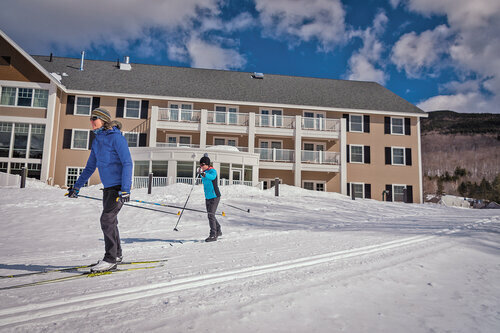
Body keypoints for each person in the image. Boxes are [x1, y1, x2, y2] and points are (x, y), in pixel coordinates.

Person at [66, 108, 133, 272]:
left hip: (118, 188)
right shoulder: (97, 141)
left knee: (106, 220)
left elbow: (127, 163)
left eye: (94, 118)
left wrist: (125, 189)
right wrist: (76, 187)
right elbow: (90, 167)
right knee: (111, 221)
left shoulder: (117, 138)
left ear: (103, 120)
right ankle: (116, 254)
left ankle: (110, 259)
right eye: (90, 118)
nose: (91, 121)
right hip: (108, 188)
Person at [199, 155, 222, 242]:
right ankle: (218, 229)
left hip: (215, 196)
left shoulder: (213, 171)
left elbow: (211, 177)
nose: (201, 166)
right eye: (200, 165)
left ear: (207, 164)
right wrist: (201, 173)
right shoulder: (204, 172)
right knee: (210, 215)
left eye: (202, 164)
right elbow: (203, 177)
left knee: (211, 215)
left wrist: (204, 174)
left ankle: (213, 235)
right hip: (208, 197)